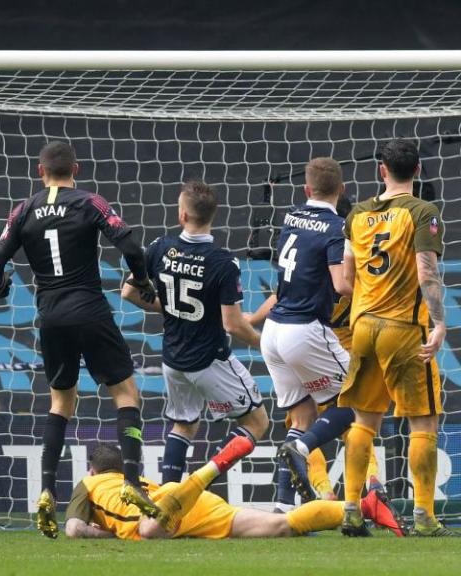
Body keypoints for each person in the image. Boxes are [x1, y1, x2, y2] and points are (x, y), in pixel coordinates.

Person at [0, 141, 159, 539]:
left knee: (61, 401)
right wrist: (143, 280)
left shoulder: (23, 210)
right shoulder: (90, 202)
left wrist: (0, 287)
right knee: (126, 394)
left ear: (38, 170)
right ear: (75, 169)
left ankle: (46, 491)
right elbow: (131, 245)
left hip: (51, 317)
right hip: (91, 310)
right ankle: (131, 482)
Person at [339, 139, 456, 537]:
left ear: (381, 171)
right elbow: (427, 271)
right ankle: (424, 517)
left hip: (363, 327)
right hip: (403, 328)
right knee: (423, 421)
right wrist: (438, 323)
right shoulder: (423, 211)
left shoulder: (356, 214)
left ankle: (351, 509)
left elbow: (345, 280)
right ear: (418, 171)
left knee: (363, 422)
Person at [121, 180, 269, 485]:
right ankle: (197, 485)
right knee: (257, 422)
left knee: (184, 425)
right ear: (213, 215)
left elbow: (128, 293)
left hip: (173, 359)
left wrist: (171, 309)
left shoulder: (161, 248)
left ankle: (168, 496)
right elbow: (233, 324)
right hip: (208, 359)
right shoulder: (222, 262)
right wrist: (265, 344)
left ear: (182, 216)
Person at [245, 192, 384, 506]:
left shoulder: (312, 249)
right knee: (358, 409)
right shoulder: (351, 264)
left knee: (302, 417)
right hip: (325, 342)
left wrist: (252, 319)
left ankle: (297, 498)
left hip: (298, 338)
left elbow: (283, 293)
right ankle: (367, 483)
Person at [64, 442, 403, 541]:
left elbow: (73, 529)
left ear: (92, 470)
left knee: (148, 530)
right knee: (281, 526)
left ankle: (214, 465)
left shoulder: (88, 484)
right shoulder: (134, 481)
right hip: (185, 501)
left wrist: (103, 533)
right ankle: (364, 506)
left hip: (165, 512)